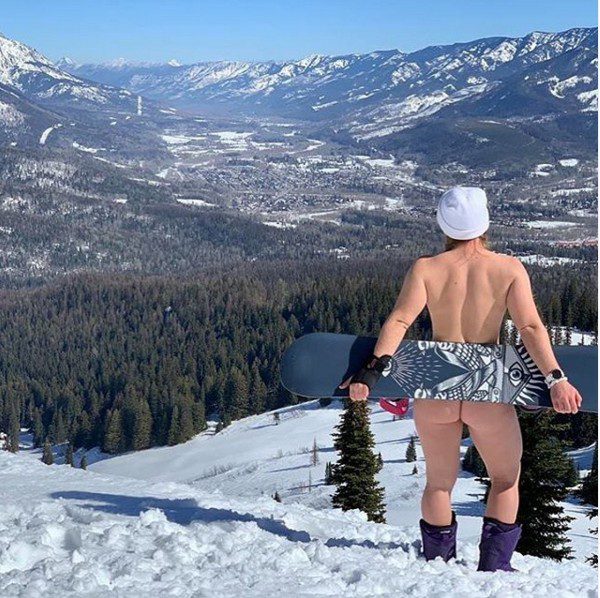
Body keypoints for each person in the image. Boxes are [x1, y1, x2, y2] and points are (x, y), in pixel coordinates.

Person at [340, 187, 582, 572]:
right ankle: (494, 568)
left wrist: (370, 372)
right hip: (487, 387)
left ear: (444, 224)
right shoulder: (508, 268)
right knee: (505, 479)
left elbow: (399, 320)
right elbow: (530, 328)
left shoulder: (426, 268)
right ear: (484, 223)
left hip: (437, 385)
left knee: (439, 483)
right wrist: (556, 379)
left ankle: (439, 565)